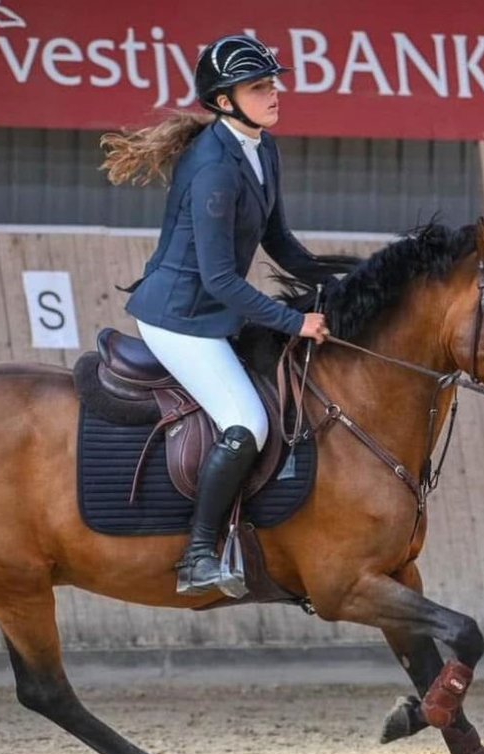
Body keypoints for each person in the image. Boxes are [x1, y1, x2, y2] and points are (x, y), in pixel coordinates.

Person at [101, 34, 331, 597]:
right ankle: (198, 556)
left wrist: (342, 284)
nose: (274, 94)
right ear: (225, 102)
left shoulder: (261, 147)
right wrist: (293, 321)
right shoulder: (213, 170)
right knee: (247, 421)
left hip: (213, 311)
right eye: (260, 87)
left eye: (273, 83)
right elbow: (219, 279)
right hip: (179, 316)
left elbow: (279, 241)